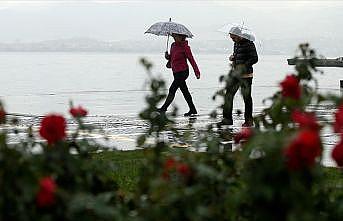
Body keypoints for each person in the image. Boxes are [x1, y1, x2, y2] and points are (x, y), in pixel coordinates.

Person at [158, 33, 201, 116]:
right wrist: (168, 57)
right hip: (175, 72)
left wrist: (197, 72)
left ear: (182, 37)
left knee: (172, 89)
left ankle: (164, 108)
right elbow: (172, 57)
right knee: (185, 91)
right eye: (173, 36)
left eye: (176, 36)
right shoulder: (173, 45)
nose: (174, 37)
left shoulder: (185, 47)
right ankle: (193, 109)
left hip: (183, 72)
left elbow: (191, 60)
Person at [223, 27, 258, 127]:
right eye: (231, 37)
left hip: (246, 75)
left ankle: (249, 121)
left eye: (233, 37)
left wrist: (244, 66)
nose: (232, 39)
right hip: (236, 74)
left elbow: (255, 58)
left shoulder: (249, 44)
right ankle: (227, 120)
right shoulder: (236, 44)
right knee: (228, 95)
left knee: (246, 98)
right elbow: (237, 56)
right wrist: (232, 57)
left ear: (239, 35)